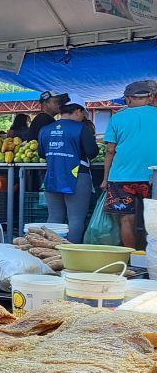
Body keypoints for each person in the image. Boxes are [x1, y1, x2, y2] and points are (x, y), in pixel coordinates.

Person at [103, 80, 157, 250]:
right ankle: (153, 258)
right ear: (150, 97)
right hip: (153, 177)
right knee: (154, 219)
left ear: (128, 99)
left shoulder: (117, 118)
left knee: (127, 219)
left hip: (121, 177)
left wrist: (105, 179)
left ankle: (134, 258)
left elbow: (110, 150)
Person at [39, 103, 99, 244]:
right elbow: (92, 152)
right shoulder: (81, 128)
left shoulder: (45, 129)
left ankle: (50, 252)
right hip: (77, 176)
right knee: (76, 219)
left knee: (54, 217)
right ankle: (71, 254)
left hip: (52, 175)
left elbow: (41, 153)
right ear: (78, 111)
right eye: (83, 114)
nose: (83, 117)